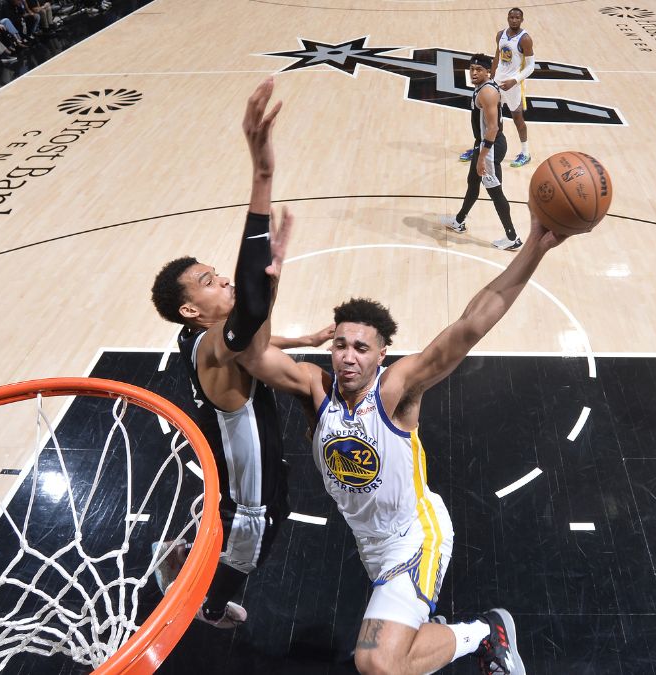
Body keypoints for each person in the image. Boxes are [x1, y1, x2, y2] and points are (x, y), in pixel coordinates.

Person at [233, 99, 574, 675]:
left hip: (417, 538)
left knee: (377, 667)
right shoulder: (314, 390)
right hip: (372, 549)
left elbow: (471, 323)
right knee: (393, 655)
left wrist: (535, 247)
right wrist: (267, 283)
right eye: (339, 344)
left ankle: (485, 632)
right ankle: (462, 634)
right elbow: (252, 352)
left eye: (361, 347)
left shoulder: (395, 390)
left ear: (381, 354)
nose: (346, 356)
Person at [148, 78, 334, 630]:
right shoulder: (213, 343)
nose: (221, 277)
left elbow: (253, 335)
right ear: (189, 309)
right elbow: (250, 314)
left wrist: (299, 339)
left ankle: (185, 550)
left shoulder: (201, 341)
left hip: (233, 461)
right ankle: (207, 606)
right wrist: (262, 176)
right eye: (208, 280)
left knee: (226, 514)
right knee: (253, 538)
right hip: (247, 485)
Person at [443, 53, 523, 251]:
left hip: (491, 146)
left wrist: (482, 157)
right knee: (473, 182)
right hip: (485, 144)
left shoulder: (487, 92)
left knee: (495, 192)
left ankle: (512, 237)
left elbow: (493, 128)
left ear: (489, 71)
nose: (474, 73)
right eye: (471, 69)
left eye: (479, 70)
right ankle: (459, 221)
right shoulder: (483, 88)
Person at [458, 7, 535, 169]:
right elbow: (497, 57)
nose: (514, 20)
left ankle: (525, 153)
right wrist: (491, 77)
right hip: (497, 81)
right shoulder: (500, 35)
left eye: (517, 18)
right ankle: (480, 147)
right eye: (511, 17)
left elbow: (531, 67)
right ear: (508, 18)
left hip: (513, 85)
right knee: (487, 117)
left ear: (522, 20)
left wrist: (514, 80)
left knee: (517, 118)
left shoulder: (525, 39)